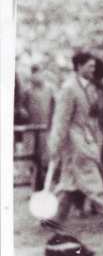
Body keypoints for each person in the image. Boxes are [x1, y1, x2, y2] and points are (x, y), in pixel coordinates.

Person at [46, 52, 103, 231]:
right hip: (74, 141)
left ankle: (52, 217)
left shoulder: (88, 87)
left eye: (93, 66)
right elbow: (61, 120)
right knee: (92, 178)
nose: (93, 69)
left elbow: (91, 115)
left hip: (85, 137)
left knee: (69, 181)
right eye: (89, 66)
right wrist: (55, 145)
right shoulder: (69, 88)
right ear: (79, 66)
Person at [24, 63, 55, 191]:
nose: (37, 76)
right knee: (32, 159)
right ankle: (34, 187)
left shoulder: (50, 89)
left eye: (40, 72)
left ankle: (46, 187)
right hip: (31, 130)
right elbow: (20, 108)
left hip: (47, 129)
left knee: (46, 159)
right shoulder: (27, 91)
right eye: (34, 73)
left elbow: (56, 106)